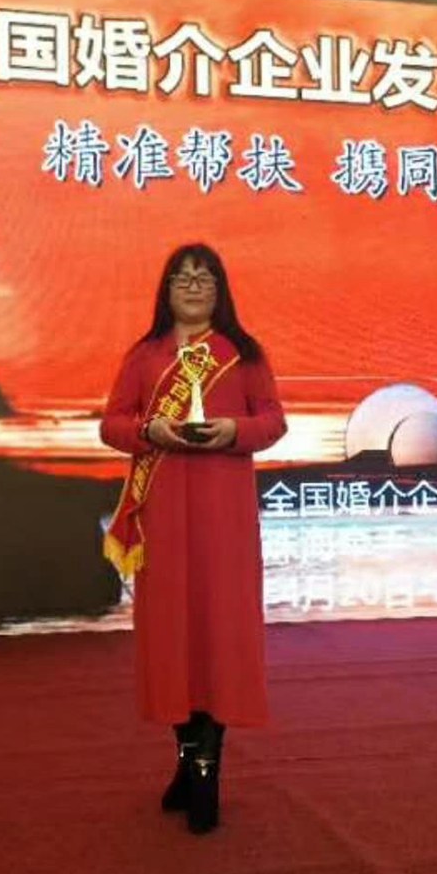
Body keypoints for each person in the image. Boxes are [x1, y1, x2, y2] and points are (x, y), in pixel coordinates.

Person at [100, 243, 287, 834]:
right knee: (173, 638)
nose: (193, 285)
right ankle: (187, 758)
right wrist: (149, 430)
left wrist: (233, 430)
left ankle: (207, 769)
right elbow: (111, 424)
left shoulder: (242, 354)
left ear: (220, 289)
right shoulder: (145, 355)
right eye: (182, 277)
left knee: (219, 636)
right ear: (166, 290)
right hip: (162, 517)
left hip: (224, 518)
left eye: (204, 277)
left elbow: (274, 421)